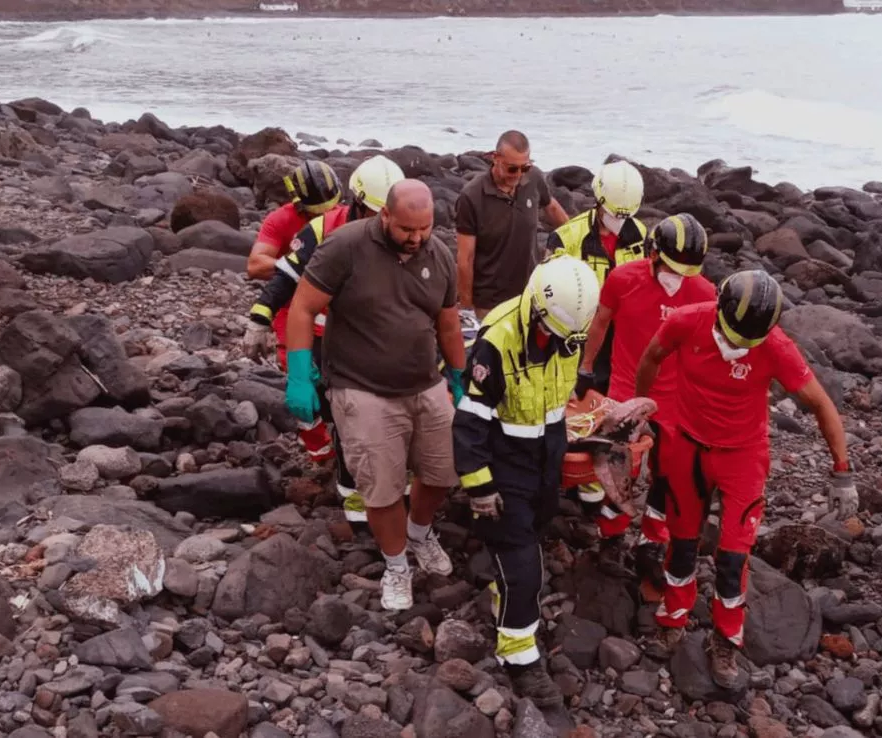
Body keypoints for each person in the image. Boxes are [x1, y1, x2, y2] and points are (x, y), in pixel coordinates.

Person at [636, 270, 857, 688]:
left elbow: (821, 404)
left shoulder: (776, 348)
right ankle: (673, 618)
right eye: (729, 334)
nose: (733, 345)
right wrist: (642, 412)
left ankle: (726, 638)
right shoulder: (686, 321)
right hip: (688, 446)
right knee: (682, 543)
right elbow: (651, 356)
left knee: (733, 556)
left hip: (742, 457)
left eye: (745, 341)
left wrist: (842, 471)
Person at [285, 179, 468, 611]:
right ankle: (396, 565)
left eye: (424, 228)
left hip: (424, 382)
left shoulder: (438, 255)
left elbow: (448, 324)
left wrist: (459, 378)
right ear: (385, 215)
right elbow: (303, 307)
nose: (416, 238)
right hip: (360, 387)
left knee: (443, 470)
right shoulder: (345, 247)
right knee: (382, 487)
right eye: (406, 229)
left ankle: (419, 533)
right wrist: (299, 373)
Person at [453, 254, 601, 708]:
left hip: (545, 458)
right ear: (537, 310)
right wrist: (481, 489)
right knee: (523, 565)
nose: (562, 346)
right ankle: (519, 656)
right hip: (505, 463)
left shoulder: (568, 332)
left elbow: (562, 395)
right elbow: (469, 426)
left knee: (535, 530)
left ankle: (504, 589)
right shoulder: (496, 344)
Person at [245, 154, 406, 524]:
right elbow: (283, 276)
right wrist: (260, 316)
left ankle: (382, 492)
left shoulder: (402, 232)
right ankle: (332, 470)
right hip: (315, 331)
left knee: (365, 415)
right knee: (315, 406)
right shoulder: (321, 229)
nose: (383, 221)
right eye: (377, 213)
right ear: (358, 202)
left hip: (370, 336)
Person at [573, 213, 716, 584]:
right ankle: (612, 535)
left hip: (675, 399)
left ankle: (652, 540)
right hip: (625, 389)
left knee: (669, 475)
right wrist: (585, 367)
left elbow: (704, 348)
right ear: (653, 254)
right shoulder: (623, 280)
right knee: (619, 469)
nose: (677, 278)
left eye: (686, 272)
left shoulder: (704, 292)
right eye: (672, 268)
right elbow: (600, 322)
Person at [244, 159, 344, 463]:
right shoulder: (280, 220)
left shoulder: (344, 217)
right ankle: (320, 453)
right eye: (316, 213)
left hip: (336, 308)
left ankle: (346, 440)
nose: (325, 218)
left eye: (331, 209)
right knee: (299, 381)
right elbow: (255, 264)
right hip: (293, 307)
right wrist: (302, 267)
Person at [546, 159, 648, 394]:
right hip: (579, 333)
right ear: (599, 200)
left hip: (623, 337)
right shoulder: (567, 237)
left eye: (625, 216)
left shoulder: (640, 235)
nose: (619, 221)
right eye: (614, 214)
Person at [455, 130, 570, 320]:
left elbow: (552, 207)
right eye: (512, 169)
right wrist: (466, 308)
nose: (518, 175)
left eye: (524, 167)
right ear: (495, 158)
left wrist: (577, 235)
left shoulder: (533, 178)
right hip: (489, 305)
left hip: (531, 295)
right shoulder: (472, 196)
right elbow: (465, 258)